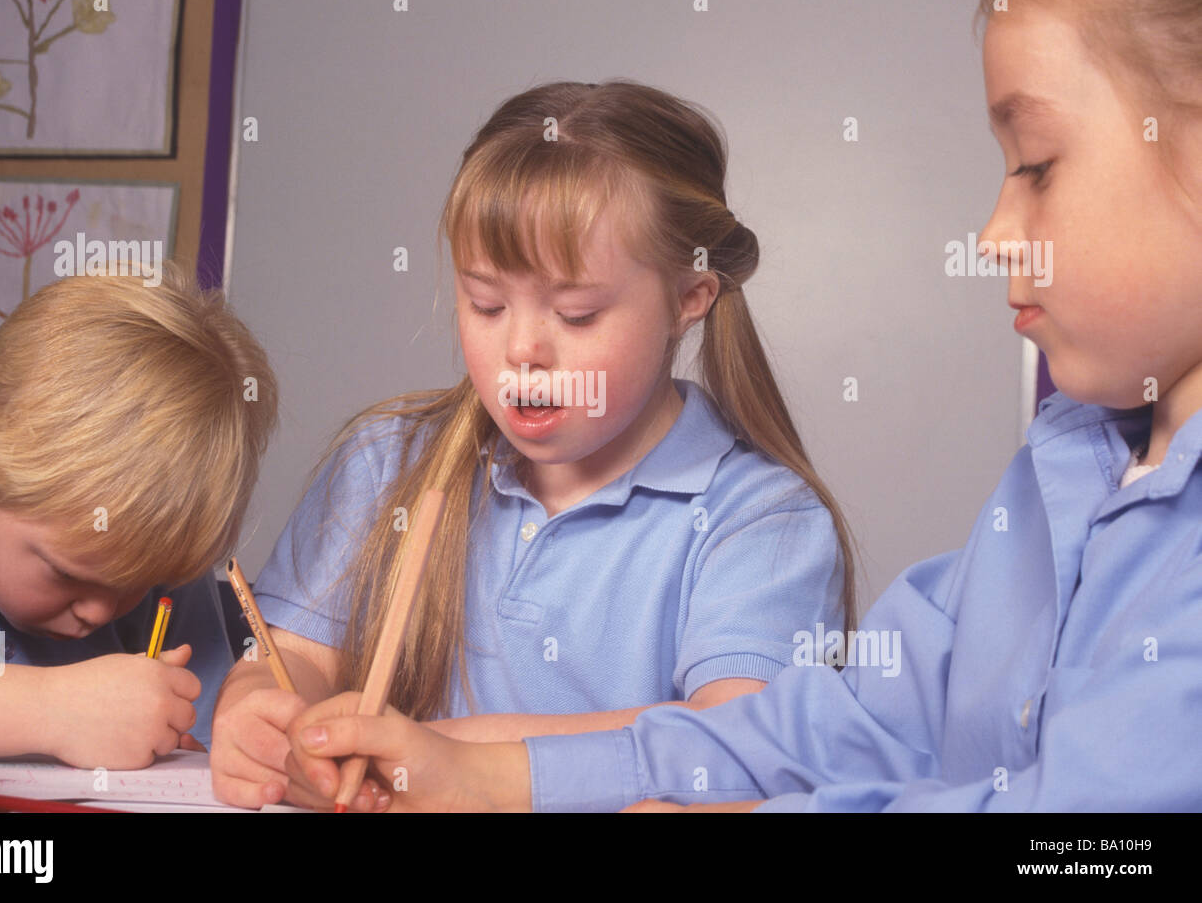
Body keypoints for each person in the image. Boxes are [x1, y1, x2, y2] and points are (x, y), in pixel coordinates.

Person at [279, 0, 1202, 811]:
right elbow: (838, 725)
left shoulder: (758, 515)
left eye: (1037, 165)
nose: (996, 231)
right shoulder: (1058, 478)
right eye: (484, 301)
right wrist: (492, 773)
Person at [211, 80, 858, 809]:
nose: (521, 349)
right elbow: (290, 655)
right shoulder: (384, 461)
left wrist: (457, 761)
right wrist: (260, 709)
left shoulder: (763, 520)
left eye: (577, 314)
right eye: (485, 303)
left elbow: (742, 745)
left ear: (689, 298)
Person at [0, 267, 278, 769]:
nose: (101, 614)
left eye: (139, 584)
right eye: (66, 574)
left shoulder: (157, 551)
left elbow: (208, 746)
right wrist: (49, 709)